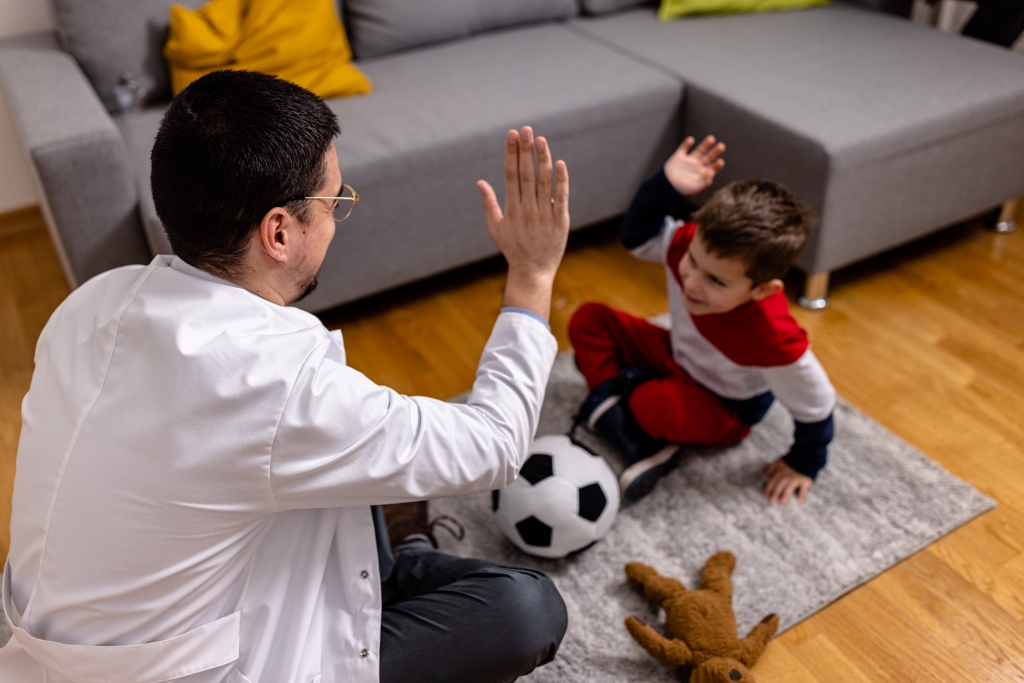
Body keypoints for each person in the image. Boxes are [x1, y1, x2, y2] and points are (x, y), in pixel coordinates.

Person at [0, 70, 570, 683]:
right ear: (278, 231)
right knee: (526, 609)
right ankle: (405, 560)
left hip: (41, 644)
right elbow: (497, 445)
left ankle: (397, 559)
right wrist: (532, 275)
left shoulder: (89, 303)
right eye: (333, 202)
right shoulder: (278, 386)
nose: (335, 219)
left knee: (341, 448)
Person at [569, 136, 837, 505]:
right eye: (693, 262)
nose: (691, 283)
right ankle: (613, 405)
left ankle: (624, 403)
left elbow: (817, 404)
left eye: (716, 281)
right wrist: (664, 184)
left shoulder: (773, 338)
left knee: (653, 405)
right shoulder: (692, 244)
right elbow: (636, 237)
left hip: (724, 406)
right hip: (676, 356)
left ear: (761, 290)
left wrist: (805, 463)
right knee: (590, 319)